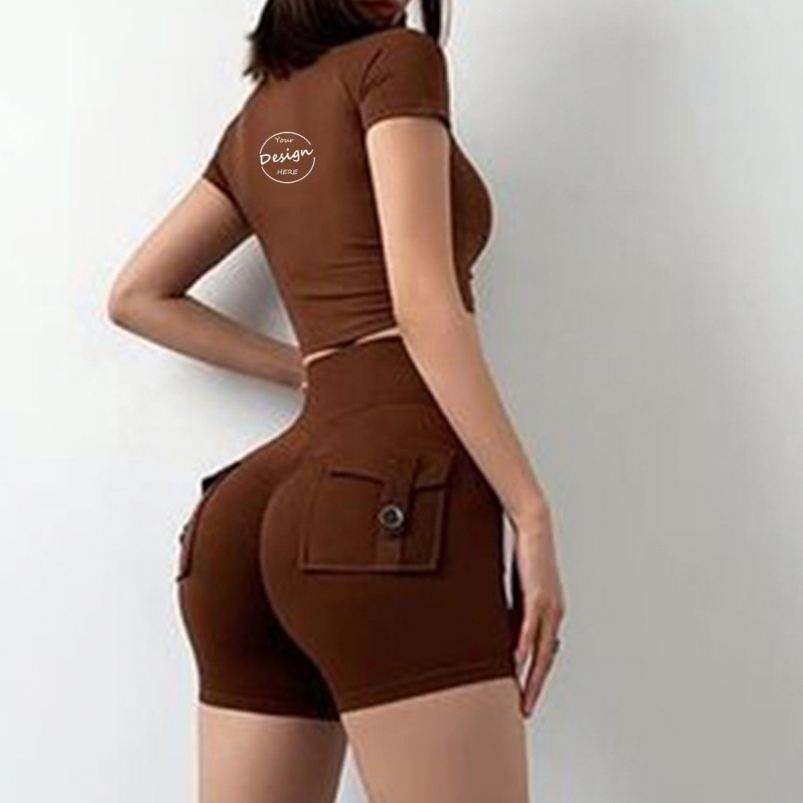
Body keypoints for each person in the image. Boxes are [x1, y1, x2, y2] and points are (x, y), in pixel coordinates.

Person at [107, 1, 565, 800]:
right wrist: (529, 511)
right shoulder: (397, 62)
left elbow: (136, 295)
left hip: (245, 519)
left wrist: (310, 369)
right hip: (390, 491)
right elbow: (421, 301)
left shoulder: (257, 125)